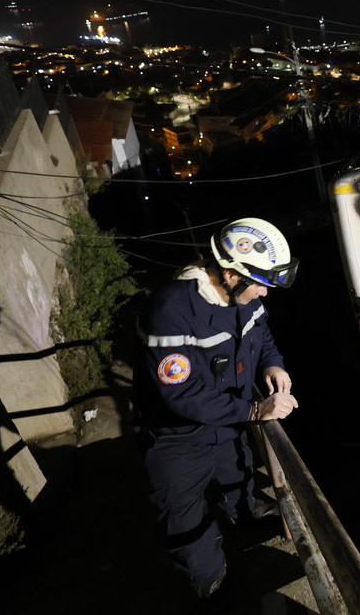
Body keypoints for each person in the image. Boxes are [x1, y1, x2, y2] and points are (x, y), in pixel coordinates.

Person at [133, 217, 300, 599]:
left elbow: (263, 333)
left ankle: (243, 511)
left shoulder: (245, 298)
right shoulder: (172, 309)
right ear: (228, 274)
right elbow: (180, 394)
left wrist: (272, 363)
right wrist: (256, 412)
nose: (264, 293)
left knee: (238, 477)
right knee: (184, 519)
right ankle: (211, 581)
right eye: (260, 284)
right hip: (176, 436)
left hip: (228, 421)